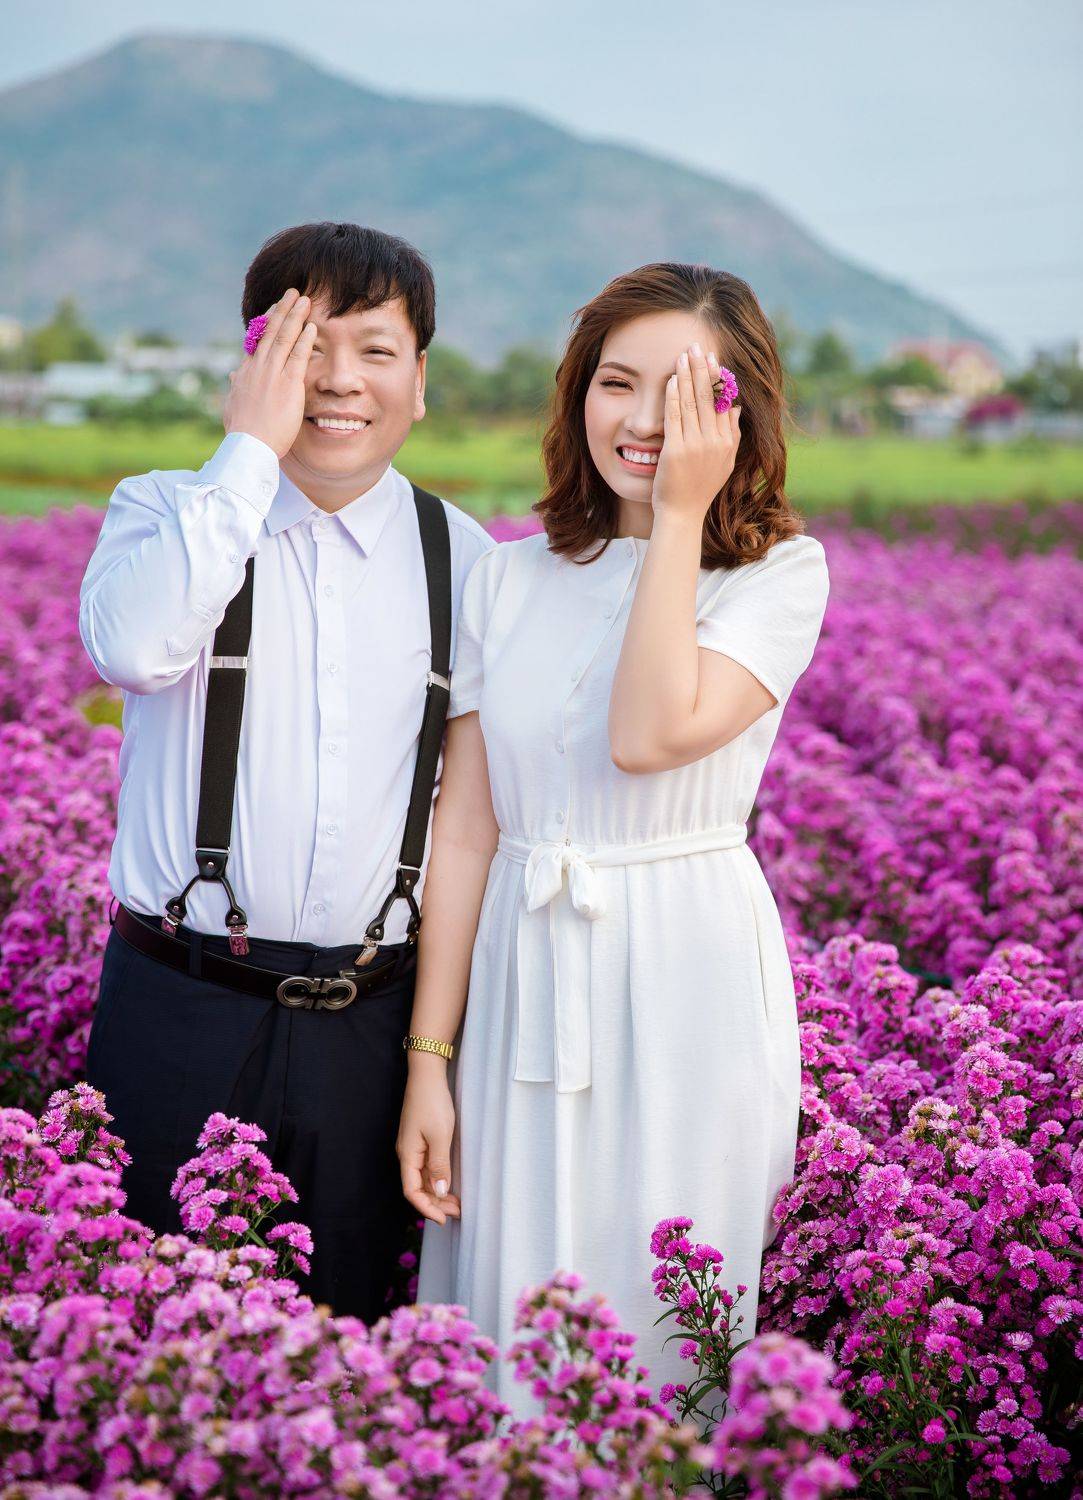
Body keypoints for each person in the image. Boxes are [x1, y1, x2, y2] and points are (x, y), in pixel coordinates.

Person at [398, 262, 830, 1411]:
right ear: (577, 391)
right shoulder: (507, 578)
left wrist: (679, 515)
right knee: (506, 1314)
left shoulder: (780, 576)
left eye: (684, 392)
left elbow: (648, 735)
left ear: (740, 411)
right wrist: (429, 1061)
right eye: (616, 383)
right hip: (521, 977)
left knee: (664, 1320)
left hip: (684, 976)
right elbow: (467, 831)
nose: (642, 421)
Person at [78, 222, 494, 1322]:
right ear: (253, 363)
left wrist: (431, 1056)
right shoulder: (166, 511)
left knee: (340, 1344)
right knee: (144, 1336)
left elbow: (469, 824)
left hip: (371, 1021)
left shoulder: (467, 560)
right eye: (305, 346)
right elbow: (137, 650)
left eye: (375, 351)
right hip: (180, 1000)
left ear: (420, 383)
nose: (339, 381)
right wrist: (247, 455)